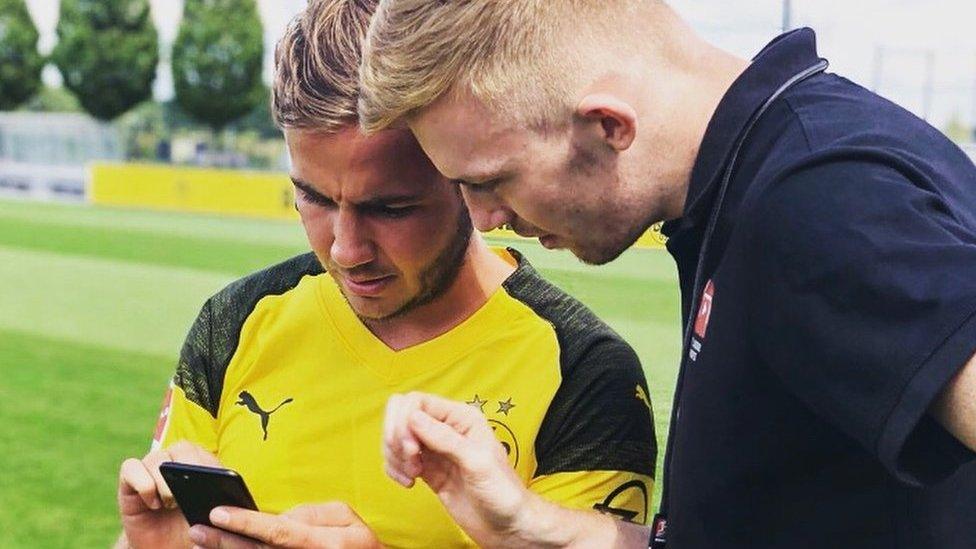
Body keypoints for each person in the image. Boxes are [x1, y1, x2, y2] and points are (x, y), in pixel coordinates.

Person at [358, 1, 976, 548]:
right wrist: (524, 524)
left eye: (489, 181)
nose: (484, 219)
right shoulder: (750, 177)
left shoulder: (814, 203)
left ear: (607, 126)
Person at [114, 1, 657, 548]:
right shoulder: (236, 321)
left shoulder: (584, 374)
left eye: (390, 209)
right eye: (313, 198)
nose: (347, 250)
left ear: (464, 177)